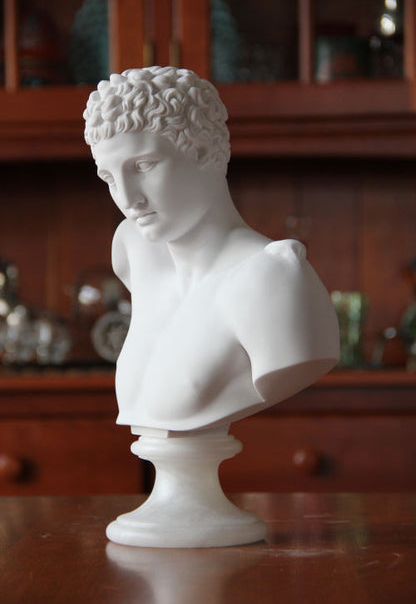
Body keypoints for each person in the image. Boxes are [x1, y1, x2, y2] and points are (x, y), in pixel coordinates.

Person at [84, 66, 339, 433]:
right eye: (109, 177)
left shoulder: (273, 277)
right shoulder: (135, 249)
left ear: (204, 151)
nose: (128, 199)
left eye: (143, 166)